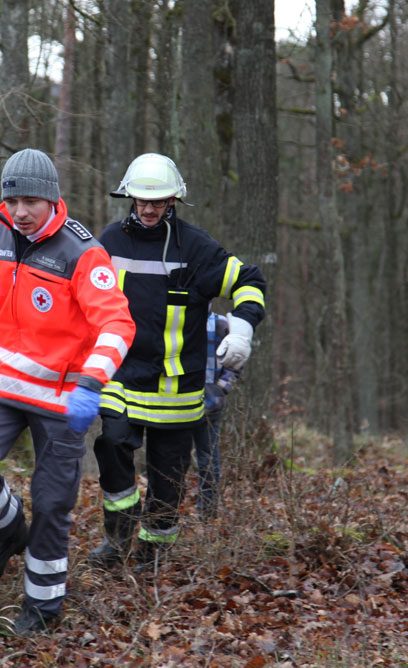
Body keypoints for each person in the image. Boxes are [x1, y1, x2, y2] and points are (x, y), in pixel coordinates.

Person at [0, 149, 136, 636]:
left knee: (53, 503)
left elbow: (117, 323)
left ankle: (42, 606)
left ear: (52, 198)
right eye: (14, 200)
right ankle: (9, 532)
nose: (21, 211)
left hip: (61, 402)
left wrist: (92, 383)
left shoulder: (82, 253)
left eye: (31, 200)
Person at [89, 153, 266, 571]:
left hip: (177, 387)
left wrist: (241, 329)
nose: (149, 209)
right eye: (141, 200)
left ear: (174, 201)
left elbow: (249, 281)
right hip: (120, 379)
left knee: (168, 479)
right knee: (110, 446)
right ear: (128, 197)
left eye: (159, 201)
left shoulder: (196, 248)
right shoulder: (109, 242)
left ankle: (155, 551)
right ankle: (117, 538)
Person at [192, 311, 243, 519]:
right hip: (177, 401)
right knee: (172, 457)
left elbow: (237, 360)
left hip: (211, 403)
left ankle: (207, 510)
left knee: (208, 458)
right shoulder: (178, 319)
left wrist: (221, 387)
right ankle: (167, 509)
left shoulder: (222, 325)